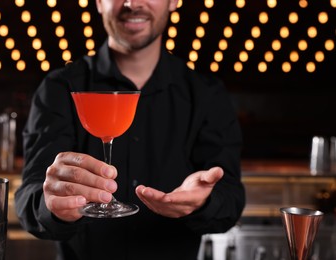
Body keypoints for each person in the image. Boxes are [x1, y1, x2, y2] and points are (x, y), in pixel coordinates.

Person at [15, 0, 245, 259]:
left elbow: (231, 199)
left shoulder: (207, 94)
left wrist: (204, 201)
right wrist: (53, 204)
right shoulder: (59, 87)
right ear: (99, 3)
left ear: (174, 2)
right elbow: (29, 197)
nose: (132, 4)